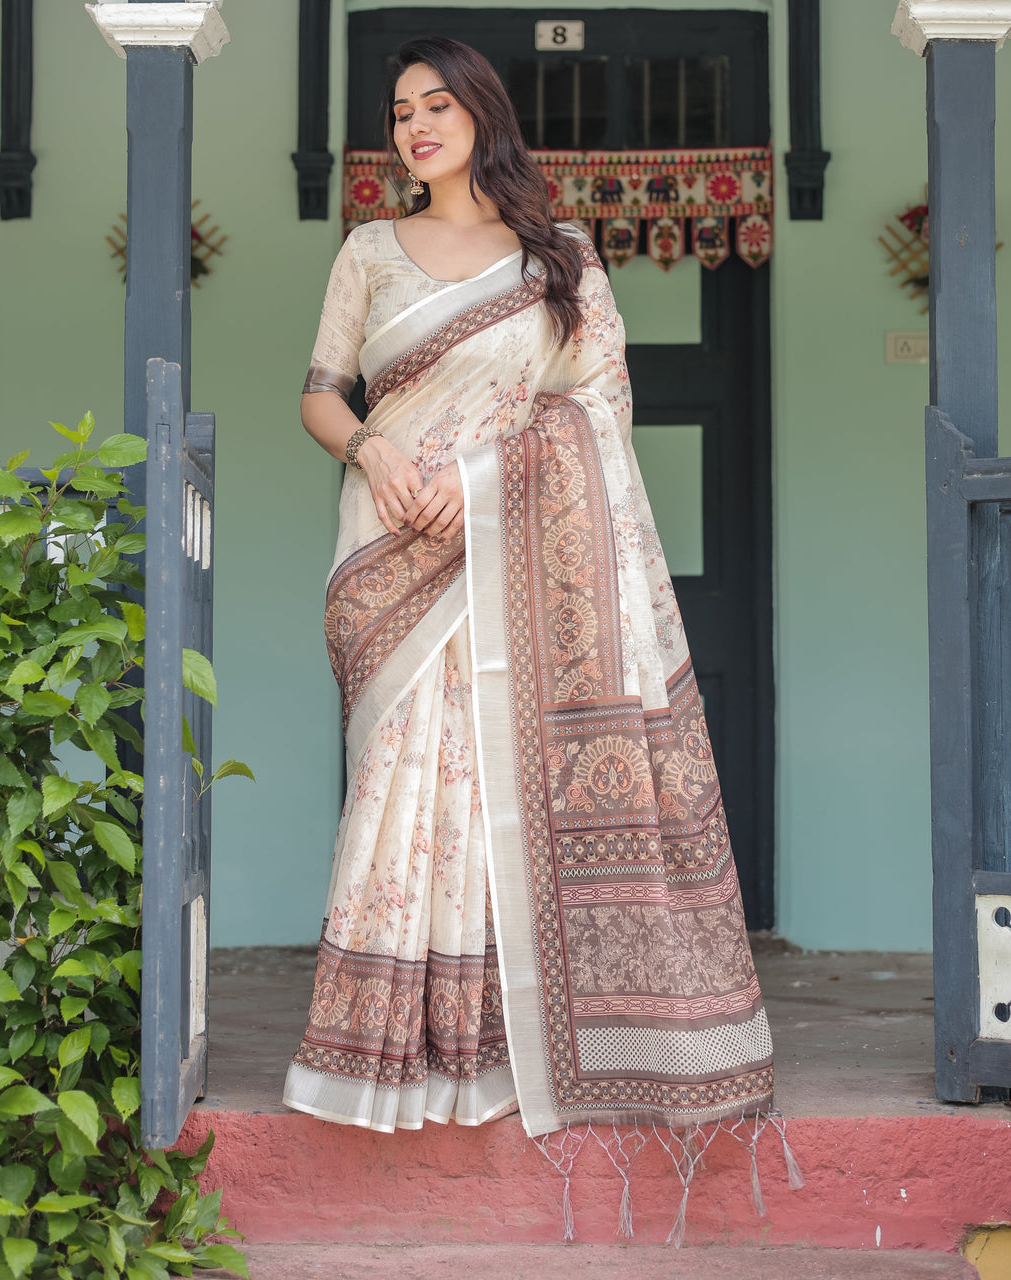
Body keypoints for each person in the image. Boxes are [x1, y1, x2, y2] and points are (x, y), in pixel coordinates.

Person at [283, 35, 776, 1183]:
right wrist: (372, 449)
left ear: (482, 116)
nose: (415, 126)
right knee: (402, 776)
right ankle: (382, 1049)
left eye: (437, 104)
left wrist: (482, 483)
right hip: (387, 546)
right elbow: (319, 390)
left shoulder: (556, 255)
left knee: (493, 774)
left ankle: (499, 1036)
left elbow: (599, 403)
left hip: (503, 543)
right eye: (399, 110)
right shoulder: (367, 248)